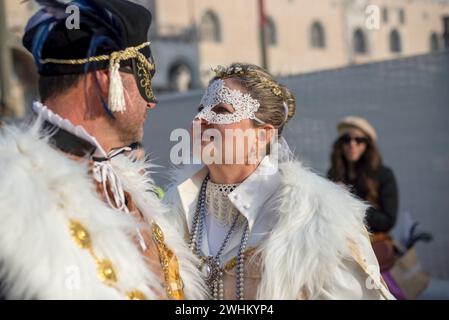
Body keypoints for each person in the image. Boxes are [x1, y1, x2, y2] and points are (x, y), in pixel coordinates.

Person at [0, 0, 204, 300]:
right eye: (144, 79)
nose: (152, 101)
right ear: (106, 78)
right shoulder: (12, 199)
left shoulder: (125, 187)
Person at [164, 63, 394, 299]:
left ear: (261, 135)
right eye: (200, 108)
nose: (201, 119)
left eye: (221, 110)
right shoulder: (172, 210)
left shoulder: (313, 220)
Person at [328, 116, 403, 299]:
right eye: (346, 139)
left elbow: (388, 221)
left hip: (374, 251)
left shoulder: (384, 175)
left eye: (359, 140)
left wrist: (351, 201)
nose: (352, 144)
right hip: (341, 251)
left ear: (367, 145)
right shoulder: (334, 173)